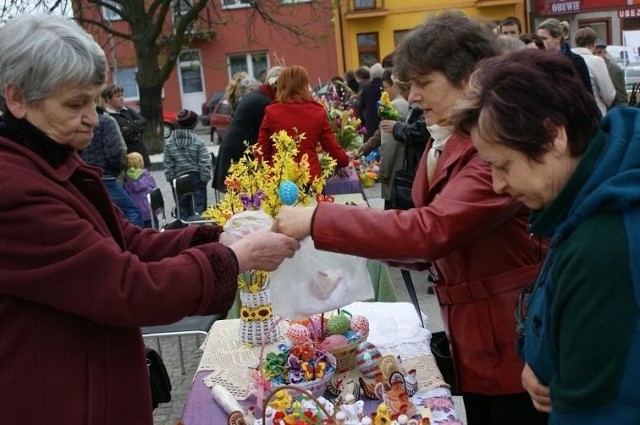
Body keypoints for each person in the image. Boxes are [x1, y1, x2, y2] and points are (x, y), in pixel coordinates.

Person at [0, 14, 300, 424]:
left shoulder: (50, 165)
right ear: (17, 99)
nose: (93, 117)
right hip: (59, 401)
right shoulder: (15, 191)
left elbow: (128, 242)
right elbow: (125, 286)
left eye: (95, 99)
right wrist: (235, 259)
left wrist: (220, 238)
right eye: (75, 104)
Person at [274, 12, 546, 425]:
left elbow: (430, 231)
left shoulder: (492, 144)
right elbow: (423, 240)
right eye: (409, 85)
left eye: (423, 83)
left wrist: (319, 221)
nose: (413, 96)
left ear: (467, 77)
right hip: (479, 339)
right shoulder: (448, 137)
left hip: (514, 341)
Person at [451, 48, 640, 424]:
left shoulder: (605, 245)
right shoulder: (584, 195)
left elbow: (600, 412)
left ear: (553, 136)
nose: (498, 184)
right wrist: (539, 361)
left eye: (503, 165)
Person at [256, 65, 349, 179]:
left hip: (279, 177)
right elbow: (331, 146)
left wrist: (263, 175)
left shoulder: (271, 112)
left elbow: (261, 150)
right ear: (305, 85)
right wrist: (344, 160)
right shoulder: (317, 111)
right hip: (309, 176)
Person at [215, 66, 282, 193]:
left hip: (235, 152)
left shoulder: (257, 96)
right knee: (244, 203)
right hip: (239, 156)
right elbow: (268, 136)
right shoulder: (264, 102)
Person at [80, 100, 145, 227]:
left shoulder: (77, 123)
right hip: (106, 176)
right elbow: (114, 150)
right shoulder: (105, 122)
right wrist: (117, 169)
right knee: (132, 211)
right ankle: (134, 244)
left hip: (85, 174)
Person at [164, 109, 212, 218]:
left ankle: (185, 231)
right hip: (197, 179)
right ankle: (199, 229)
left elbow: (168, 165)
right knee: (200, 210)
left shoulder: (169, 144)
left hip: (179, 180)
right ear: (194, 125)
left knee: (182, 210)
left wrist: (171, 180)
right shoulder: (198, 142)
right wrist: (205, 179)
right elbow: (205, 162)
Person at [537, 18, 594, 96]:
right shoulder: (537, 62)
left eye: (544, 38)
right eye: (538, 38)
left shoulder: (577, 62)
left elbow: (588, 94)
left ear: (558, 38)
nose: (539, 42)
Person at [377, 71, 409, 209]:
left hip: (396, 172)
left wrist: (383, 173)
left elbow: (388, 145)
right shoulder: (408, 104)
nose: (383, 91)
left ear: (395, 86)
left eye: (384, 87)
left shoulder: (392, 107)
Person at [102, 83, 151, 167]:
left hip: (140, 152)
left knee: (144, 178)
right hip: (126, 156)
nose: (122, 98)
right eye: (118, 96)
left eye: (122, 95)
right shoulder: (108, 116)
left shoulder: (128, 110)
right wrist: (135, 128)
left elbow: (143, 122)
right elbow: (121, 134)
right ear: (108, 99)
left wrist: (129, 127)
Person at [573, 27, 615, 116]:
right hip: (595, 114)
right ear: (594, 43)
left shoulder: (566, 58)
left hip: (572, 116)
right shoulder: (597, 61)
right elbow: (608, 95)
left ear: (576, 43)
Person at [123, 151, 157, 228]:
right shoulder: (146, 176)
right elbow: (153, 189)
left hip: (136, 211)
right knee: (150, 229)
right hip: (148, 211)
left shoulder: (126, 179)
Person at [595, 38, 628, 107]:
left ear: (605, 52)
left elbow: (622, 100)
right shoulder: (588, 66)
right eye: (593, 53)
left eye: (599, 52)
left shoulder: (614, 70)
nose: (596, 56)